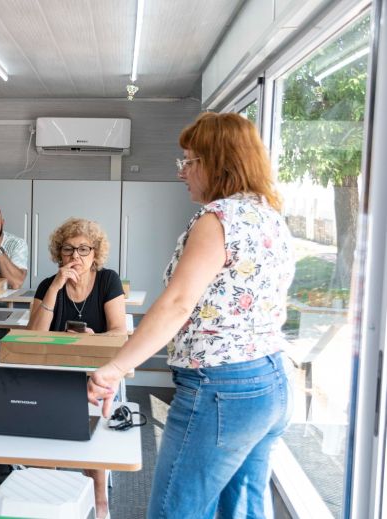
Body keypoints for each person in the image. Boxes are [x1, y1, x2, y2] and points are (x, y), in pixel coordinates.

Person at [87, 112, 294, 519]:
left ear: (219, 162)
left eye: (190, 162)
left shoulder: (218, 219)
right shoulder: (270, 215)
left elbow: (178, 304)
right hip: (269, 381)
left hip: (223, 389)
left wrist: (113, 369)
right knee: (243, 511)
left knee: (173, 511)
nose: (183, 174)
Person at [27, 217, 125, 519]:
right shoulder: (48, 285)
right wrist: (56, 287)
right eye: (68, 250)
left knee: (91, 427)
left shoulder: (108, 280)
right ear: (59, 254)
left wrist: (94, 340)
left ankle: (99, 504)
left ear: (95, 253)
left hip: (95, 372)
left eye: (84, 249)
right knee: (46, 423)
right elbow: (31, 337)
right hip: (55, 373)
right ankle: (47, 497)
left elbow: (120, 332)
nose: (76, 257)